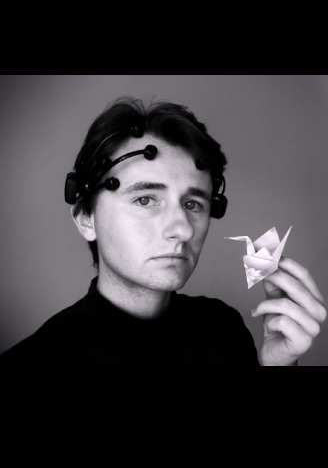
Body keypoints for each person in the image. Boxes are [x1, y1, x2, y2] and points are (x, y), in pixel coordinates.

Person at [1, 97, 326, 366]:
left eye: (193, 204)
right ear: (86, 218)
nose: (182, 229)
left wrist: (281, 365)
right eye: (145, 199)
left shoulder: (222, 330)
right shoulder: (35, 362)